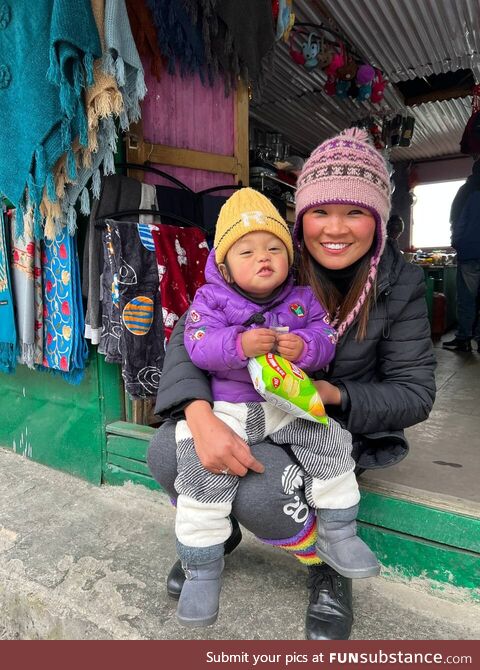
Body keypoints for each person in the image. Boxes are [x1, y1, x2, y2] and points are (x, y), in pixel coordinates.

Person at [148, 128, 436, 640]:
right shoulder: (273, 256)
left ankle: (327, 563)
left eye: (355, 212)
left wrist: (329, 394)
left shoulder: (403, 283)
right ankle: (209, 547)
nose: (336, 229)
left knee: (263, 491)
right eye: (320, 213)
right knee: (172, 451)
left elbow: (414, 393)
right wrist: (199, 413)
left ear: (380, 218)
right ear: (299, 219)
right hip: (246, 407)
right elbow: (188, 334)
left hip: (329, 426)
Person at [173, 188, 379, 628]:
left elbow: (326, 340)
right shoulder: (210, 300)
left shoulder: (302, 299)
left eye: (273, 248)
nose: (262, 258)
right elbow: (196, 344)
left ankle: (338, 535)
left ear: (290, 255)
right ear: (224, 266)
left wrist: (305, 348)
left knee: (331, 442)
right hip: (230, 408)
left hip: (287, 403)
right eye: (246, 251)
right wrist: (238, 344)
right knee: (200, 474)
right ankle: (202, 567)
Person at [443, 159, 480, 353]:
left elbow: (457, 220)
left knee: (466, 298)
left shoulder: (467, 191)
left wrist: (456, 243)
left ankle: (464, 339)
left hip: (470, 253)